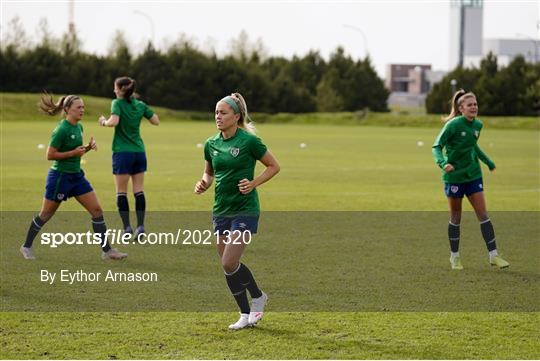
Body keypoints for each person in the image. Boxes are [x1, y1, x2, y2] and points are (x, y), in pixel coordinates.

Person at [194, 93, 280, 330]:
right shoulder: (211, 143)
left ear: (236, 116)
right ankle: (246, 311)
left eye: (223, 113)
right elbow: (209, 173)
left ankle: (258, 298)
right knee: (227, 265)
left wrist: (253, 183)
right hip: (221, 209)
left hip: (245, 209)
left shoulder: (249, 141)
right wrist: (203, 183)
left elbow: (274, 166)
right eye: (216, 112)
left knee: (230, 260)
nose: (218, 117)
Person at [20, 92, 127, 260]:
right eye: (79, 107)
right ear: (67, 109)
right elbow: (50, 155)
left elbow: (76, 153)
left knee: (97, 210)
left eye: (83, 107)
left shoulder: (79, 127)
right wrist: (73, 152)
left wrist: (87, 148)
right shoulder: (61, 129)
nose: (82, 110)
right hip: (60, 178)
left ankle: (107, 251)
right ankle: (26, 246)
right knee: (46, 215)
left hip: (77, 177)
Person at [432, 89, 509, 270]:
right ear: (461, 109)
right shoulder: (453, 125)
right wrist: (443, 163)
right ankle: (455, 257)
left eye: (475, 104)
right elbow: (436, 147)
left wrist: (488, 161)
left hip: (473, 175)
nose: (474, 107)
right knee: (456, 217)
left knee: (483, 216)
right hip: (454, 178)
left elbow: (472, 146)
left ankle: (494, 255)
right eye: (470, 105)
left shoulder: (477, 125)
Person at [98, 77, 159, 240]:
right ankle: (140, 226)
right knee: (138, 190)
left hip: (122, 152)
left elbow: (114, 122)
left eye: (115, 88)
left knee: (121, 192)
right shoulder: (140, 105)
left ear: (121, 90)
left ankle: (126, 228)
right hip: (139, 151)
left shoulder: (117, 103)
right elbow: (156, 121)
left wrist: (103, 122)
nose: (113, 91)